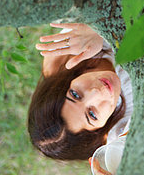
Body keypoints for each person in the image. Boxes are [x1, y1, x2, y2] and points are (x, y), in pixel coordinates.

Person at [28, 23, 132, 174]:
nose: (96, 92)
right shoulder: (121, 129)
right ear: (100, 132)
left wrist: (100, 29)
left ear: (63, 84)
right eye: (92, 114)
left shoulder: (65, 54)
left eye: (75, 94)